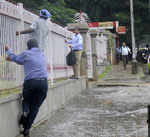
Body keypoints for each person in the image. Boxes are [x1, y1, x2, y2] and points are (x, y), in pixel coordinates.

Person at [5, 39, 48, 137]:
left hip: (31, 82)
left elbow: (16, 59)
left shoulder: (26, 53)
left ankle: (24, 112)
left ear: (28, 47)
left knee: (26, 100)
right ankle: (27, 129)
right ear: (37, 46)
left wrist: (8, 50)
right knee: (35, 107)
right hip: (44, 83)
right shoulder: (42, 54)